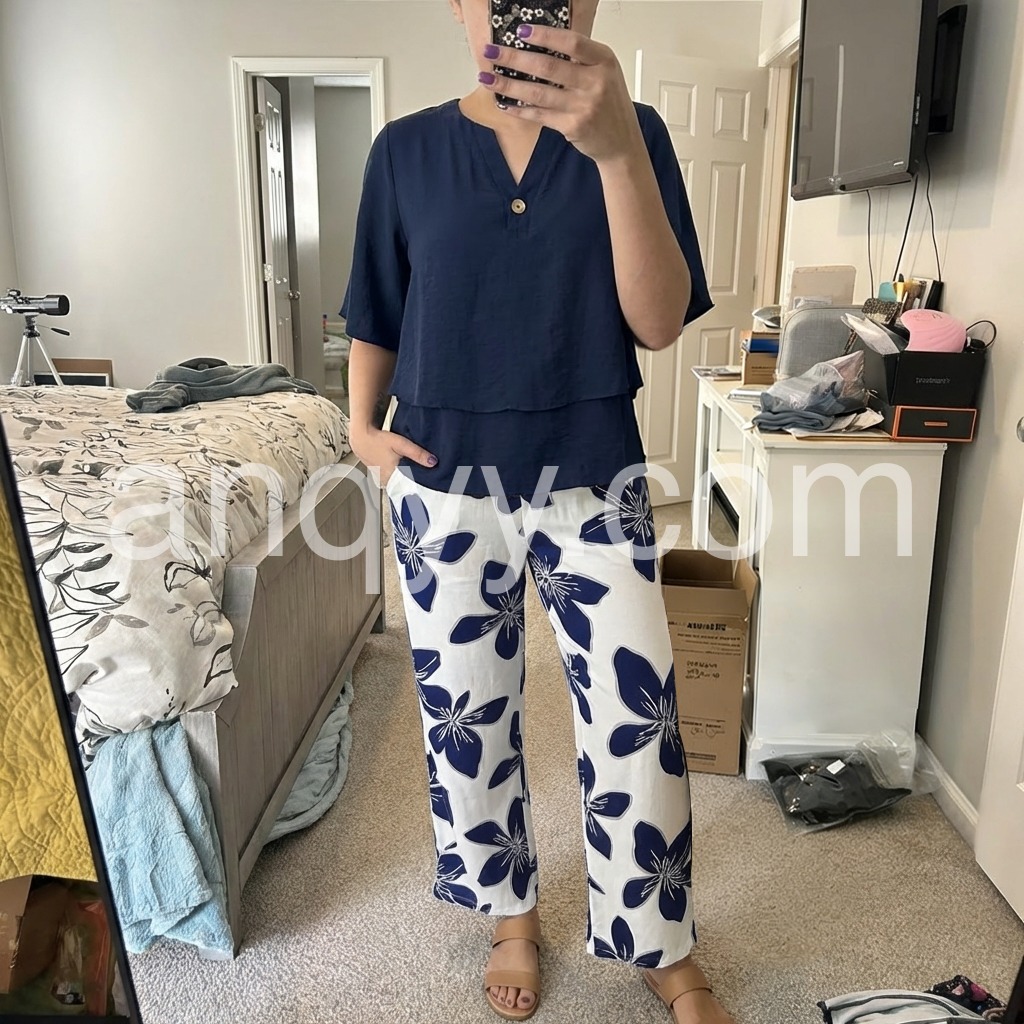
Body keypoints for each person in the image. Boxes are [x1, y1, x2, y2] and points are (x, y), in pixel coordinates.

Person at [342, 2, 732, 1021]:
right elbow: (376, 308)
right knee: (467, 715)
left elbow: (658, 322)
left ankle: (656, 937)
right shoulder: (405, 149)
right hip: (441, 478)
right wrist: (361, 429)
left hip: (594, 472)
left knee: (637, 720)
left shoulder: (635, 132)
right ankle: (509, 916)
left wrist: (614, 153)